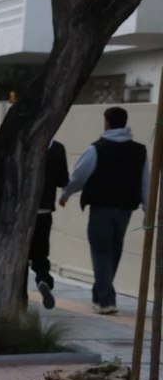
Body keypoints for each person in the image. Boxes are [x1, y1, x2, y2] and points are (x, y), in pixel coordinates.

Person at [59, 106, 150, 315]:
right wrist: (148, 209)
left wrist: (66, 194)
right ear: (125, 123)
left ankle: (106, 300)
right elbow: (146, 183)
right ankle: (101, 296)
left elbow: (79, 176)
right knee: (114, 251)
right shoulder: (139, 151)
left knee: (101, 252)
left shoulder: (97, 148)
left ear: (106, 123)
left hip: (101, 207)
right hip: (125, 208)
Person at [27, 139, 69, 309]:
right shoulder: (57, 148)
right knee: (40, 254)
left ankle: (19, 297)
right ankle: (43, 279)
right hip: (44, 210)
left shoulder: (23, 143)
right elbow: (63, 180)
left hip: (19, 213)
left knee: (19, 258)